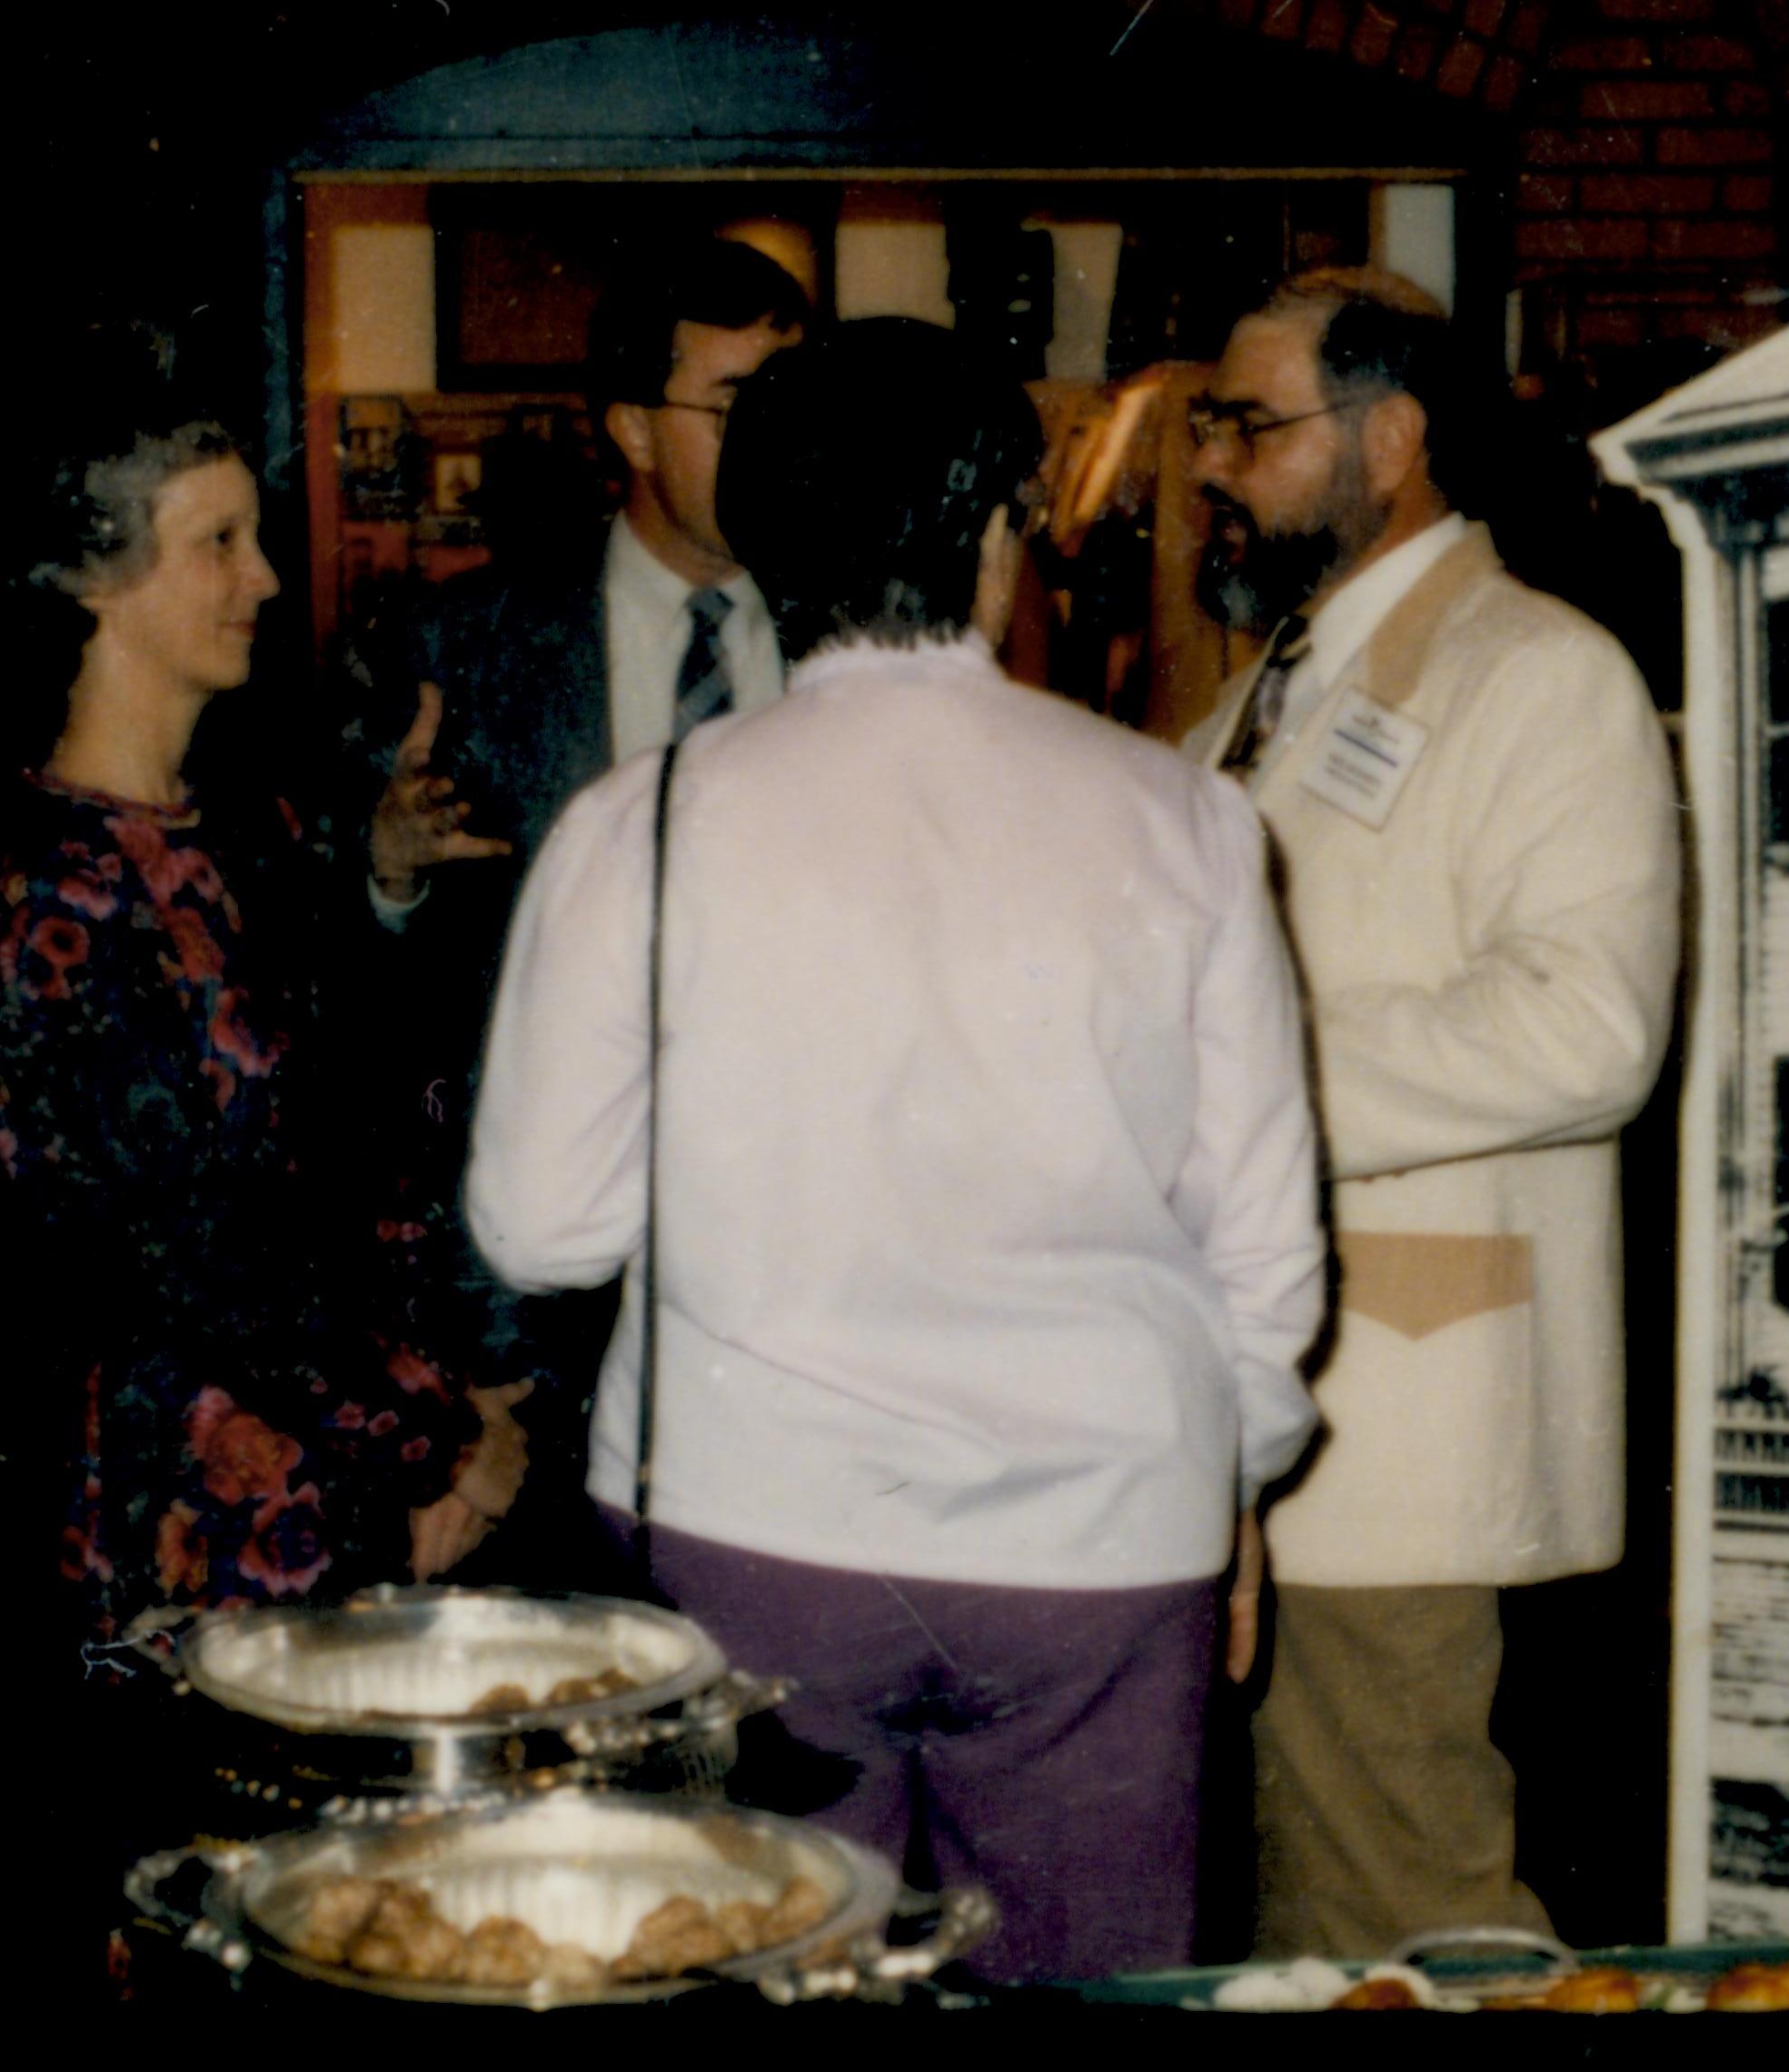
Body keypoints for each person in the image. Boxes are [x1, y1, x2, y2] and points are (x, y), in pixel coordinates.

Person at [462, 318, 1326, 1982]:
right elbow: (1264, 1254)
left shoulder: (636, 821)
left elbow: (543, 1226)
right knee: (1090, 1987)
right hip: (1103, 1541)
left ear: (770, 542)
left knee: (762, 1976)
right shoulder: (1188, 820)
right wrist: (1238, 1481)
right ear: (1004, 526)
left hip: (753, 1530)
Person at [1181, 267, 1684, 1956]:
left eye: (1249, 427)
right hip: (1277, 1412)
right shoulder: (1274, 685)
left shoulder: (1541, 673)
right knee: (1319, 1913)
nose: (1209, 465)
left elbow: (1591, 1024)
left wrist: (1256, 1076)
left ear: (1389, 440)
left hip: (1394, 1421)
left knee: (1402, 1899)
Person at [0, 364, 526, 1666]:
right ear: (97, 578)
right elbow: (160, 1275)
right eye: (218, 544)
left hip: (348, 1492)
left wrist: (462, 1403)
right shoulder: (57, 889)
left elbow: (348, 1143)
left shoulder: (237, 829)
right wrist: (446, 1434)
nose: (264, 578)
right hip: (206, 1530)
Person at [354, 236, 809, 1588]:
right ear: (631, 427)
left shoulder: (862, 636)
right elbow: (359, 998)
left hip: (805, 1292)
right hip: (536, 1329)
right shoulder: (470, 647)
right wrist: (388, 869)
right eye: (739, 401)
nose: (783, 436)